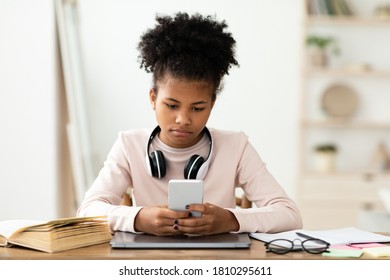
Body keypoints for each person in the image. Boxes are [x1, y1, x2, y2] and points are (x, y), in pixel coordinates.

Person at [77, 12, 302, 236]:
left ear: (212, 104)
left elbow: (290, 215)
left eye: (197, 108)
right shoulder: (129, 145)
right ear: (153, 99)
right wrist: (138, 218)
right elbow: (87, 211)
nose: (183, 119)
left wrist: (230, 220)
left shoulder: (236, 146)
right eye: (172, 105)